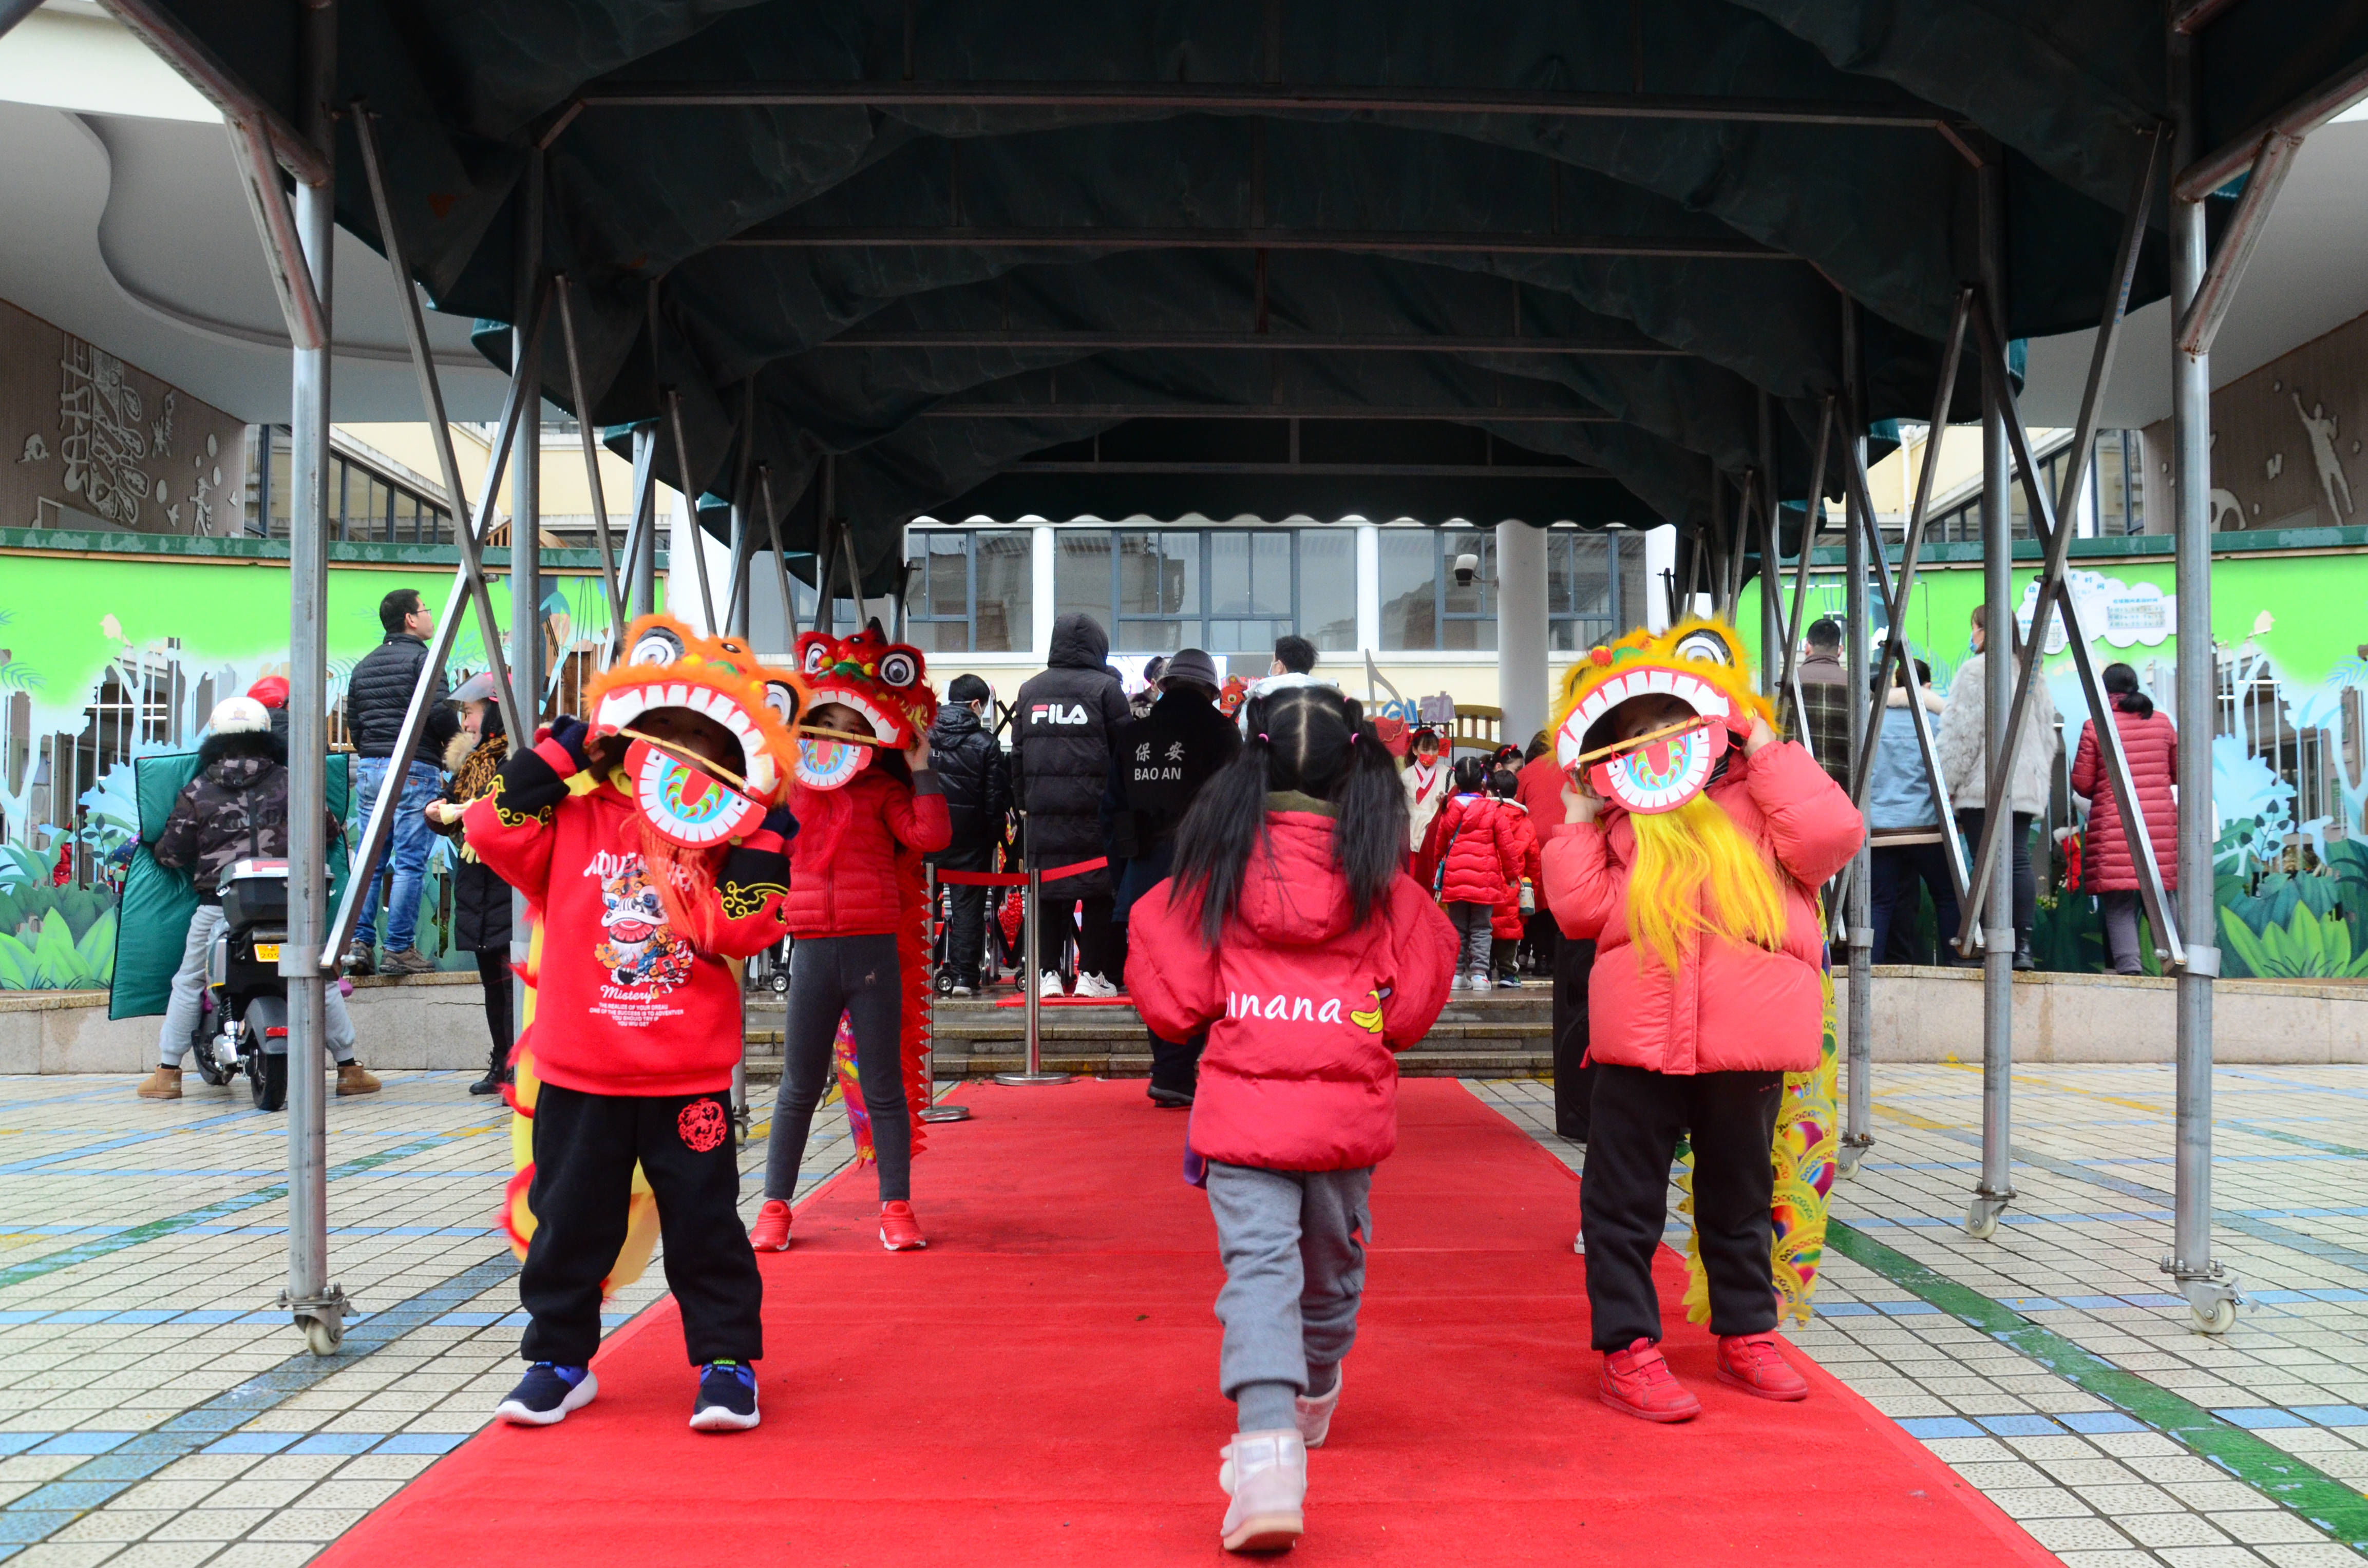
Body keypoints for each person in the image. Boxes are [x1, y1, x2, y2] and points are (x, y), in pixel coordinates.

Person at [1126, 683, 1456, 1555]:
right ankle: (1300, 1399)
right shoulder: (1383, 881)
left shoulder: (1215, 870)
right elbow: (1414, 1005)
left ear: (1253, 759)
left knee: (1260, 1271)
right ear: (1360, 763)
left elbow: (1171, 999)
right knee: (1332, 1264)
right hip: (1346, 1117)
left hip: (1240, 1114)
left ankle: (1268, 1445)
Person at [1542, 628, 1862, 1423]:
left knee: (1738, 1195)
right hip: (1638, 1038)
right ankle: (1626, 1347)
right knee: (1620, 1202)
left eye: (1676, 715)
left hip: (1746, 1034)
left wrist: (1762, 741)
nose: (1660, 735)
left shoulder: (1761, 789)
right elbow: (1578, 911)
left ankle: (1747, 1331)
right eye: (1637, 725)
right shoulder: (1618, 805)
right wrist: (1578, 814)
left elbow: (1830, 838)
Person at [465, 684, 795, 1433]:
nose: (676, 752)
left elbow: (742, 933)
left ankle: (725, 1361)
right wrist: (563, 752)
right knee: (570, 1220)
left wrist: (763, 839)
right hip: (582, 1069)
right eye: (659, 732)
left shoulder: (723, 834)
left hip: (689, 1076)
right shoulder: (577, 816)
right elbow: (492, 830)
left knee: (705, 1223)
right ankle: (558, 1359)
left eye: (698, 739)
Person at [750, 691, 950, 1254]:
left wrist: (920, 768)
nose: (837, 735)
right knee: (798, 1087)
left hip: (873, 953)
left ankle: (897, 1207)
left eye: (851, 726)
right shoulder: (788, 790)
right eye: (825, 724)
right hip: (810, 949)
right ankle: (774, 1207)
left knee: (884, 1085)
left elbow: (930, 838)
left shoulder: (883, 790)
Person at [139, 697, 380, 1100]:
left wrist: (154, 850)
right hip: (293, 909)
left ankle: (167, 1073)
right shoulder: (292, 781)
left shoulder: (197, 790)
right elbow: (328, 831)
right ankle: (349, 1067)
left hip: (220, 909)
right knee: (321, 979)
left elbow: (172, 854)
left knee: (187, 981)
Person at [1105, 648, 1241, 1106]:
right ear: (1209, 690)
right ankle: (1177, 1070)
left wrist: (1122, 877)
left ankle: (1168, 1066)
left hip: (1142, 875)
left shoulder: (1131, 736)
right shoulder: (1223, 735)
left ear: (1164, 686)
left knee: (1155, 972)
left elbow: (1111, 814)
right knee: (1202, 972)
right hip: (1207, 873)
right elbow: (1239, 810)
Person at [1010, 613, 1132, 996]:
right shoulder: (1106, 690)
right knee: (1099, 891)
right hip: (1097, 813)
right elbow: (1125, 751)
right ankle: (1091, 975)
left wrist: (1023, 804)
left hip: (1043, 815)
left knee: (1046, 893)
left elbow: (1016, 755)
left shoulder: (1030, 691)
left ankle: (1046, 974)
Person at [1934, 604, 2059, 970]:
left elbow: (1961, 733)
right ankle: (2020, 947)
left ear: (1983, 631)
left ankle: (1986, 944)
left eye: (1973, 628)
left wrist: (1949, 783)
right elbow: (2047, 735)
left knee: (1985, 863)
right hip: (2024, 785)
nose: (1971, 635)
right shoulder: (2031, 671)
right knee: (2018, 860)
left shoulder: (1975, 670)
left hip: (1981, 785)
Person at [345, 588, 459, 977]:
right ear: (411, 619)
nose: (430, 616)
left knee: (370, 862)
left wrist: (375, 753)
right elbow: (440, 713)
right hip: (414, 767)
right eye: (426, 609)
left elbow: (355, 722)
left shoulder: (364, 666)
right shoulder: (424, 661)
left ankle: (359, 945)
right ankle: (398, 948)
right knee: (410, 863)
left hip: (371, 767)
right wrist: (452, 750)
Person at [423, 673, 515, 1094]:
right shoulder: (468, 762)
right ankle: (500, 1061)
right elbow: (454, 810)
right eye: (465, 713)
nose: (467, 722)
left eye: (472, 712)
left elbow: (515, 814)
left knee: (514, 981)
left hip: (507, 880)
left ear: (494, 711)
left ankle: (519, 1064)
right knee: (492, 983)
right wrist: (438, 812)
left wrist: (472, 813)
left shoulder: (517, 760)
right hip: (475, 879)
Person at [2071, 664, 2178, 974]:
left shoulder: (2096, 726)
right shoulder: (2162, 723)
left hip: (2113, 824)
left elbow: (2083, 783)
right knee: (2162, 894)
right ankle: (2174, 965)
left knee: (2118, 901)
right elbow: (2177, 770)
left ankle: (2130, 970)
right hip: (2158, 822)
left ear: (2104, 691)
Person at [1866, 659, 1959, 964]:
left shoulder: (1873, 721)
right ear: (1926, 687)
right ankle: (1956, 965)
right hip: (1928, 828)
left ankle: (1871, 971)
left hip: (1882, 830)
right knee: (1947, 896)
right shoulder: (1939, 722)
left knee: (1879, 902)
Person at [926, 673, 1010, 995]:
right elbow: (994, 801)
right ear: (976, 705)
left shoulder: (924, 735)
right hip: (970, 843)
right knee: (967, 911)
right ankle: (963, 977)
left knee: (921, 907)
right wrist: (990, 837)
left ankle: (918, 973)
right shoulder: (986, 744)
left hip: (927, 837)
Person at [1415, 755, 1524, 990]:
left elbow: (1439, 848)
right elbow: (1507, 847)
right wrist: (1511, 875)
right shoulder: (1494, 810)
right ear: (1483, 783)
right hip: (1485, 880)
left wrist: (1438, 875)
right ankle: (1479, 975)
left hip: (1455, 879)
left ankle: (1457, 974)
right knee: (1482, 928)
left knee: (1458, 927)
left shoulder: (1448, 810)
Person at [1487, 767, 1538, 988]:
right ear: (1516, 794)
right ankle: (1508, 973)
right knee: (1509, 929)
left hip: (1485, 882)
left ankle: (1485, 970)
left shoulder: (1484, 816)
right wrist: (1531, 887)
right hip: (1513, 885)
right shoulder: (1526, 824)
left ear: (1490, 791)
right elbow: (1534, 860)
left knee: (1484, 927)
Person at [1788, 617, 1852, 789]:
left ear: (1807, 646)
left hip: (1795, 787)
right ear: (1840, 650)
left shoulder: (1788, 683)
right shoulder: (1857, 688)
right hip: (1844, 791)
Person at [1401, 726, 1449, 856]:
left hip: (1439, 832)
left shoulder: (1448, 773)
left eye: (1435, 749)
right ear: (1415, 750)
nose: (1431, 754)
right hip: (1413, 834)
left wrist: (1446, 800)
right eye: (1426, 750)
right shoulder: (1406, 776)